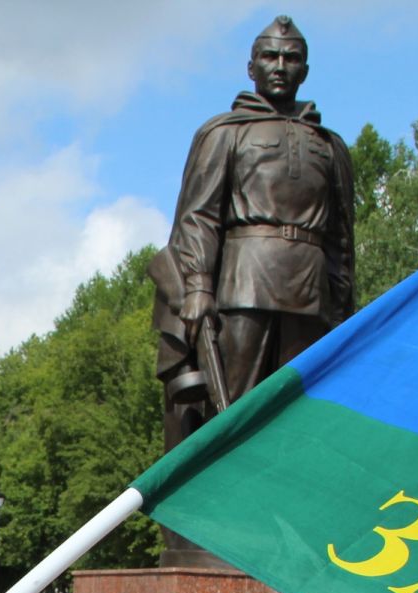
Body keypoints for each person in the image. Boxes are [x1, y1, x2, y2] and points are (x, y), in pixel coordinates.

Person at [149, 13, 354, 449]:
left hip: (311, 293)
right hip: (244, 285)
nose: (280, 65)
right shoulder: (225, 133)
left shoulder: (330, 146)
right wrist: (200, 287)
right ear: (251, 67)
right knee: (234, 408)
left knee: (300, 412)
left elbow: (341, 240)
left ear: (305, 70)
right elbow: (199, 216)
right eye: (270, 56)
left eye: (291, 58)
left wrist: (343, 313)